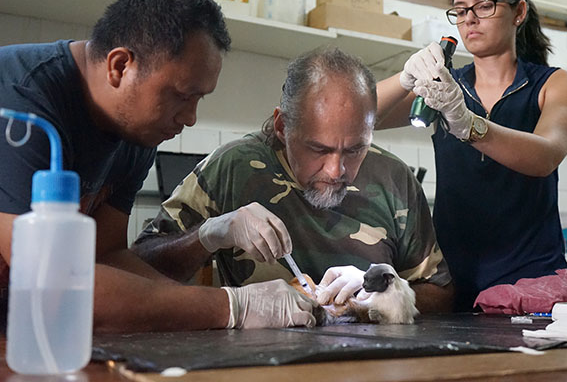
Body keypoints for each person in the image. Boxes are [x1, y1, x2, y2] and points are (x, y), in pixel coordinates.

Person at [0, 0, 317, 332]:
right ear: (120, 66)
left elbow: (107, 256)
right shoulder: (21, 106)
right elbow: (49, 285)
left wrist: (229, 302)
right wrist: (231, 307)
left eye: (199, 99)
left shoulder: (136, 132)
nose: (190, 118)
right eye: (181, 95)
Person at [132, 47, 454, 314]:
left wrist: (395, 297)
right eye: (319, 149)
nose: (336, 171)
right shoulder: (233, 168)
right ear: (283, 127)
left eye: (355, 149)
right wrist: (209, 235)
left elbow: (441, 293)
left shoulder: (394, 178)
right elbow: (139, 266)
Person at [375, 0, 567, 312]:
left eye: (484, 5)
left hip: (530, 277)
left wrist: (468, 123)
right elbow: (359, 116)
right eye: (460, 10)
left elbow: (546, 156)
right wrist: (405, 78)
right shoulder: (444, 85)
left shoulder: (555, 84)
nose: (469, 19)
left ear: (519, 12)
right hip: (452, 277)